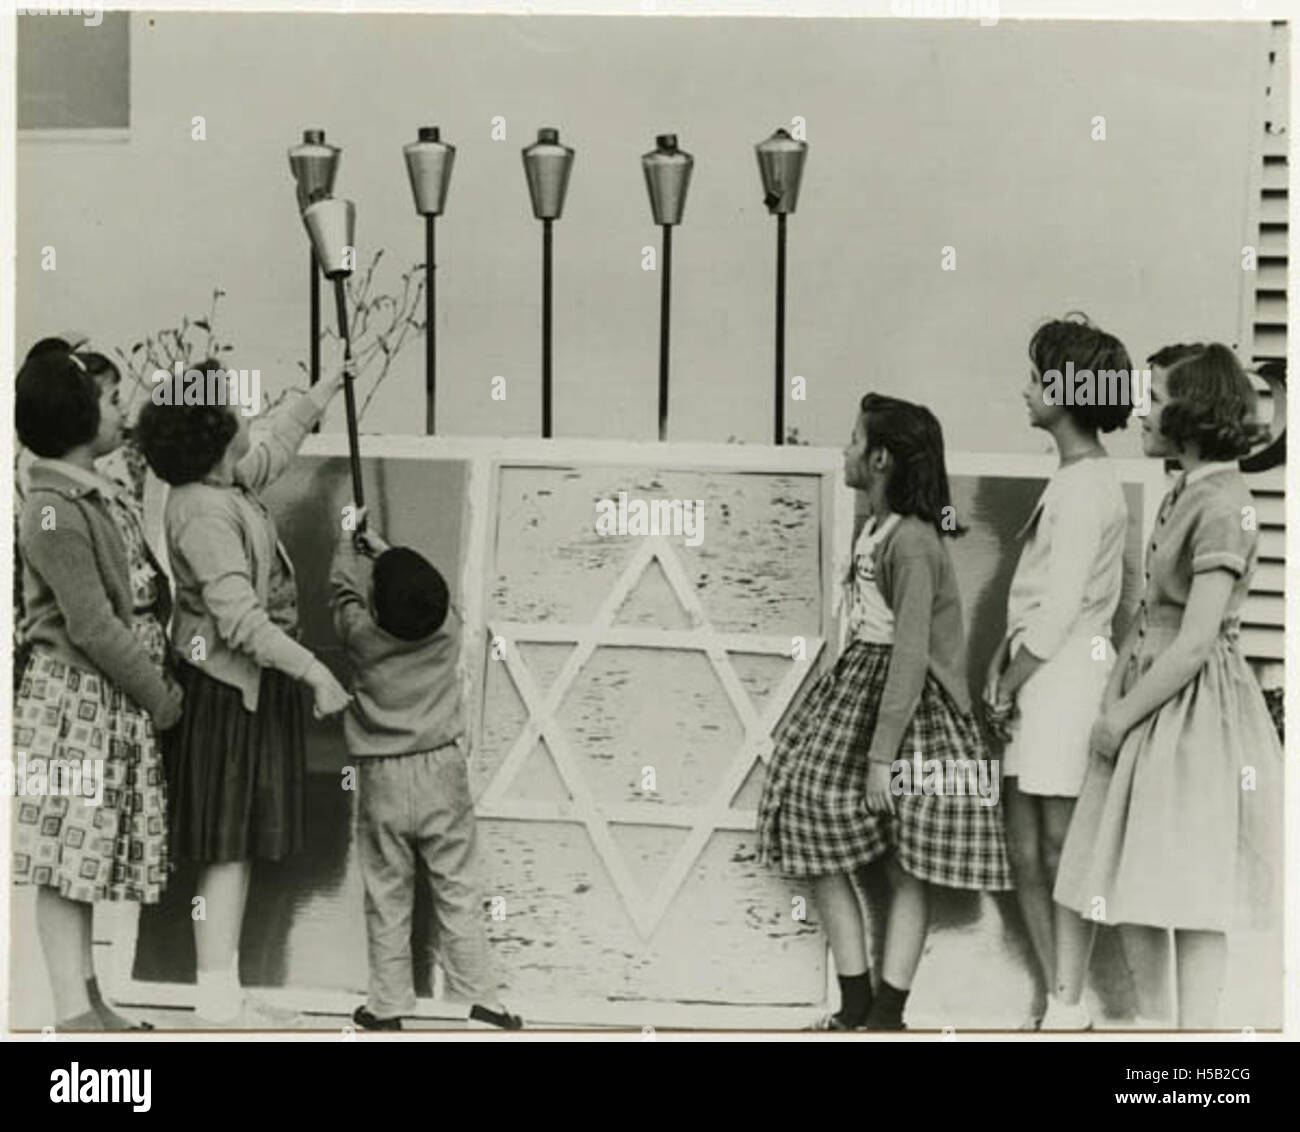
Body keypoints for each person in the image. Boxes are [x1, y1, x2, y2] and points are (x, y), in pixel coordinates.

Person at [758, 393, 1012, 1030]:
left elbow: (910, 654)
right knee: (807, 818)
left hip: (914, 707)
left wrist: (881, 758)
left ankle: (884, 1017)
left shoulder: (916, 544)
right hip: (863, 686)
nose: (842, 451)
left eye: (852, 440)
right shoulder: (874, 530)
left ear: (879, 459)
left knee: (910, 863)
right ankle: (857, 1003)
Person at [1054, 343, 1283, 1029]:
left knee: (1189, 885)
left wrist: (1122, 716)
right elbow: (1153, 613)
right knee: (1136, 877)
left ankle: (1200, 1042)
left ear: (1192, 413)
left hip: (1190, 714)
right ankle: (1155, 1029)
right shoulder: (1186, 490)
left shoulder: (1226, 505)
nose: (1142, 415)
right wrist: (1109, 700)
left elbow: (1194, 640)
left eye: (1155, 401)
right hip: (1149, 698)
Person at [133, 356, 353, 1027]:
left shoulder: (224, 482)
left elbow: (273, 451)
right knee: (228, 848)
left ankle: (221, 992)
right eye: (233, 408)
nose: (246, 414)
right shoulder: (203, 511)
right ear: (213, 434)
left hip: (249, 694)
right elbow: (239, 620)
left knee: (242, 846)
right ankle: (217, 1001)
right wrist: (314, 671)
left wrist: (322, 390)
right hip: (227, 696)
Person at [13, 343, 182, 1030]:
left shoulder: (87, 493)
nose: (123, 412)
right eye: (112, 402)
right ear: (80, 416)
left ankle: (89, 1002)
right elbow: (93, 625)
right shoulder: (52, 509)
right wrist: (159, 696)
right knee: (62, 861)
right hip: (71, 706)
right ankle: (70, 1012)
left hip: (98, 702)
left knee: (82, 857)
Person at [984, 315, 1134, 1029]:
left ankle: (1067, 1001)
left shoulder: (1086, 487)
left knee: (1055, 846)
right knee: (1026, 845)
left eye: (1038, 378)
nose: (1026, 391)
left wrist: (1008, 685)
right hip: (1046, 678)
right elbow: (1040, 599)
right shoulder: (1078, 478)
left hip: (1065, 683)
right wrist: (1004, 662)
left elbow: (1064, 609)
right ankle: (1060, 995)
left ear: (1069, 391)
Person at [330, 511, 522, 1030]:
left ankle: (387, 1006)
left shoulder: (359, 636)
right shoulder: (448, 632)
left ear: (375, 608)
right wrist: (388, 550)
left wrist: (352, 549)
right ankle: (484, 1002)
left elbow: (343, 595)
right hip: (443, 769)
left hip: (382, 778)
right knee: (457, 886)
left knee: (387, 891)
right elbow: (431, 599)